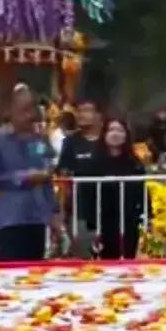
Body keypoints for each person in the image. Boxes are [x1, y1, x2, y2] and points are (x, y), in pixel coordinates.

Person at [0, 87, 58, 262]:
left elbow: (47, 178)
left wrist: (55, 213)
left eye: (32, 109)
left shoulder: (41, 140)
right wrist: (21, 178)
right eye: (23, 110)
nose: (29, 115)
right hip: (10, 221)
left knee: (35, 271)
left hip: (37, 219)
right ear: (10, 111)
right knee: (10, 271)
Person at [93, 118, 146, 259]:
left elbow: (142, 191)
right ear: (104, 134)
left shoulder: (134, 163)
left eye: (120, 130)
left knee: (127, 259)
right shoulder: (94, 163)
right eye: (111, 130)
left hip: (129, 221)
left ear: (126, 135)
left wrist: (147, 215)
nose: (115, 134)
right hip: (102, 221)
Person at [58, 100, 104, 255]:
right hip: (79, 207)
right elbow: (63, 174)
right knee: (83, 252)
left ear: (98, 115)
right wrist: (62, 209)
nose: (81, 115)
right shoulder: (70, 142)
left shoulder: (107, 139)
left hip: (108, 206)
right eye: (79, 111)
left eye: (86, 110)